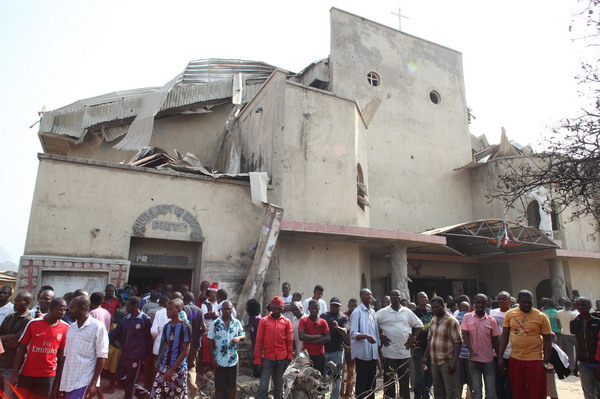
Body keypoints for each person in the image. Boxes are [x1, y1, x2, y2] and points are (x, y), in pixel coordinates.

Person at [497, 290, 552, 399]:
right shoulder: (510, 314)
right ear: (518, 301)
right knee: (518, 391)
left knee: (537, 392)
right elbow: (504, 336)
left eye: (529, 302)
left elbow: (548, 340)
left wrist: (546, 361)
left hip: (535, 360)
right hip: (515, 359)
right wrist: (500, 357)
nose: (527, 305)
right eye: (524, 302)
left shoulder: (541, 316)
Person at [12, 297, 69, 399]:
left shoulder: (65, 327)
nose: (63, 312)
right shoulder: (33, 323)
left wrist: (58, 381)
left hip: (48, 375)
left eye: (65, 310)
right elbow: (21, 349)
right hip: (27, 373)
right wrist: (14, 374)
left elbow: (61, 355)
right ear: (51, 308)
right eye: (61, 309)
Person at [58, 296, 109, 399]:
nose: (69, 311)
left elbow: (101, 356)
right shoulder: (71, 328)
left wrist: (94, 383)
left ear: (82, 308)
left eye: (72, 308)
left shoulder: (97, 327)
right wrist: (60, 382)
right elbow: (65, 356)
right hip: (68, 381)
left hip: (84, 381)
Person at [376, 289, 423, 399]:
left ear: (400, 297)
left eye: (397, 295)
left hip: (404, 353)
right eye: (393, 295)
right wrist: (380, 335)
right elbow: (372, 324)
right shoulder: (383, 312)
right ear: (390, 298)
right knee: (389, 381)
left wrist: (413, 339)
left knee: (404, 381)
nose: (395, 297)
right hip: (389, 353)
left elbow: (419, 325)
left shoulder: (407, 311)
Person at [109, 296, 153, 399]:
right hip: (125, 355)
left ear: (136, 306)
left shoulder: (145, 319)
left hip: (136, 356)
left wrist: (147, 356)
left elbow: (149, 339)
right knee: (118, 377)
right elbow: (114, 334)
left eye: (128, 306)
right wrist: (118, 345)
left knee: (131, 381)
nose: (126, 308)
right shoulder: (125, 319)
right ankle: (143, 393)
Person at [461, 293, 500, 399]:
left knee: (491, 392)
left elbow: (496, 340)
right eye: (479, 302)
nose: (481, 305)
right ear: (474, 303)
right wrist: (471, 351)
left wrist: (499, 358)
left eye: (483, 303)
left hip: (489, 361)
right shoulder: (467, 317)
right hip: (474, 361)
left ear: (486, 304)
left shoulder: (491, 320)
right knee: (477, 392)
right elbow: (465, 335)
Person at [422, 296, 462, 399]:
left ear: (443, 306)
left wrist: (454, 362)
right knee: (438, 392)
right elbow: (430, 339)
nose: (434, 309)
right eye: (432, 307)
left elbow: (458, 342)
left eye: (437, 307)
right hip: (435, 361)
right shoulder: (434, 319)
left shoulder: (451, 321)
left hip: (447, 361)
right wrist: (425, 356)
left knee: (451, 392)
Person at [254, 297, 294, 399]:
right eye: (275, 308)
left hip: (282, 357)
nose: (277, 311)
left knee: (278, 385)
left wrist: (289, 357)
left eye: (279, 309)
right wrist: (258, 360)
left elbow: (289, 341)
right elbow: (259, 341)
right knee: (263, 384)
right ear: (271, 308)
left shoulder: (287, 322)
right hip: (268, 357)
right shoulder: (264, 321)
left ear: (282, 309)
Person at [151, 298, 191, 399]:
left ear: (179, 310)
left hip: (178, 368)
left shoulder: (185, 327)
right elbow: (164, 347)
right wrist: (160, 364)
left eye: (170, 309)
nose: (168, 312)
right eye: (167, 309)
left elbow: (186, 350)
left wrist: (172, 369)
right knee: (156, 394)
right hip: (164, 366)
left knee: (175, 395)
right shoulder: (166, 327)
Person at [208, 300, 245, 399]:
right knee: (219, 387)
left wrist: (238, 338)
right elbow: (210, 342)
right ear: (221, 310)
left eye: (229, 309)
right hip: (219, 360)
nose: (227, 311)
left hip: (233, 360)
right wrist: (212, 359)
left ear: (232, 309)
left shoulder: (236, 323)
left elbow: (243, 335)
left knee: (232, 386)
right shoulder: (215, 323)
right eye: (225, 309)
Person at [0, 291, 32, 395]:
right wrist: (8, 338)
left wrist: (3, 339)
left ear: (27, 303)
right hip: (1, 361)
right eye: (15, 300)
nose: (15, 303)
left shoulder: (29, 321)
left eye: (18, 301)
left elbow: (18, 341)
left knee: (7, 395)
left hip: (12, 367)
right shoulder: (10, 317)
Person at [350, 288, 380, 399]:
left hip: (373, 353)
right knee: (362, 383)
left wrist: (378, 346)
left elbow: (375, 331)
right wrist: (366, 337)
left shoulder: (372, 312)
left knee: (371, 382)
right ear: (362, 297)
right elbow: (353, 334)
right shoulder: (357, 312)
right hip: (362, 353)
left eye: (371, 295)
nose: (370, 297)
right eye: (367, 295)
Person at [571, 297, 600, 398]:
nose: (581, 307)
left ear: (590, 306)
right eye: (578, 305)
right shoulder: (574, 322)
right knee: (588, 394)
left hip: (597, 362)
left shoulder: (598, 322)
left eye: (583, 304)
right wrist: (576, 364)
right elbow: (578, 343)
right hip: (584, 364)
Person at [321, 297, 349, 399]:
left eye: (337, 306)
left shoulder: (343, 318)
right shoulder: (323, 316)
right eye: (333, 305)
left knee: (336, 378)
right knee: (322, 377)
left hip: (337, 351)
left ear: (340, 307)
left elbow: (345, 331)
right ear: (330, 305)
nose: (334, 308)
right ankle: (322, 396)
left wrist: (337, 327)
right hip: (324, 350)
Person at [489, 291, 513, 399]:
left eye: (504, 299)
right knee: (498, 381)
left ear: (509, 301)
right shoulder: (492, 313)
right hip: (495, 353)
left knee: (510, 382)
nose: (501, 301)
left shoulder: (514, 313)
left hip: (511, 352)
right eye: (499, 299)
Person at [299, 299, 331, 375]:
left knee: (318, 378)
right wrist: (318, 336)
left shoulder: (323, 322)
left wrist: (309, 340)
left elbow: (327, 338)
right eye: (312, 308)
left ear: (319, 308)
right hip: (307, 354)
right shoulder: (303, 321)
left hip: (319, 354)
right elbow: (301, 336)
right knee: (305, 378)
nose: (314, 310)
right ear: (308, 309)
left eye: (316, 308)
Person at [412, 291, 434, 399]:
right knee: (420, 372)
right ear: (417, 299)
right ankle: (417, 394)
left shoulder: (432, 313)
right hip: (418, 347)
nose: (423, 299)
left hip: (430, 347)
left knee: (429, 373)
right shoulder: (413, 312)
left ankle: (426, 394)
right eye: (420, 297)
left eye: (425, 297)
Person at [183, 292, 205, 398]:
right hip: (196, 342)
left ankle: (183, 389)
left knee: (182, 365)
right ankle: (192, 385)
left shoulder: (184, 309)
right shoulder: (198, 310)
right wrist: (198, 335)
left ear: (184, 299)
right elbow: (203, 328)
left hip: (185, 343)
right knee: (192, 366)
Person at [149, 296, 170, 390]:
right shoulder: (181, 313)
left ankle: (155, 389)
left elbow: (153, 331)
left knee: (157, 369)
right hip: (171, 348)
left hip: (158, 346)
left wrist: (156, 337)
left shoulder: (159, 313)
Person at [455, 302, 473, 399]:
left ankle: (458, 396)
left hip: (458, 354)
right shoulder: (471, 319)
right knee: (471, 379)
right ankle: (470, 396)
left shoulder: (454, 319)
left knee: (459, 380)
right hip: (470, 353)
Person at [341, 298, 358, 399]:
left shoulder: (358, 316)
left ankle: (348, 393)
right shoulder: (343, 315)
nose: (354, 308)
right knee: (341, 372)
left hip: (353, 347)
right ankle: (341, 393)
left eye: (356, 306)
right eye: (352, 306)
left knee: (351, 371)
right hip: (342, 346)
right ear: (348, 305)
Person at [556, 300, 577, 371]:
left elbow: (558, 323)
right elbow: (574, 325)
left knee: (569, 352)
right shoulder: (574, 314)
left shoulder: (559, 313)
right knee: (578, 351)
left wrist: (562, 329)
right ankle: (578, 367)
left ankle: (571, 368)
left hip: (565, 334)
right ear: (571, 306)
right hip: (574, 335)